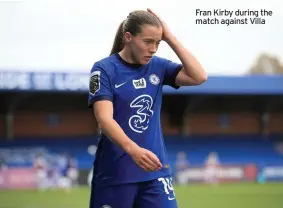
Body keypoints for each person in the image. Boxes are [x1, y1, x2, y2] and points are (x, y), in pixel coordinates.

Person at [88, 8, 207, 208]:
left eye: (157, 43)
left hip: (155, 172)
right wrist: (133, 150)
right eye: (147, 42)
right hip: (116, 174)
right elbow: (105, 119)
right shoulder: (103, 70)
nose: (153, 49)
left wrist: (169, 37)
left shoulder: (158, 67)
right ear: (128, 37)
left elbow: (199, 76)